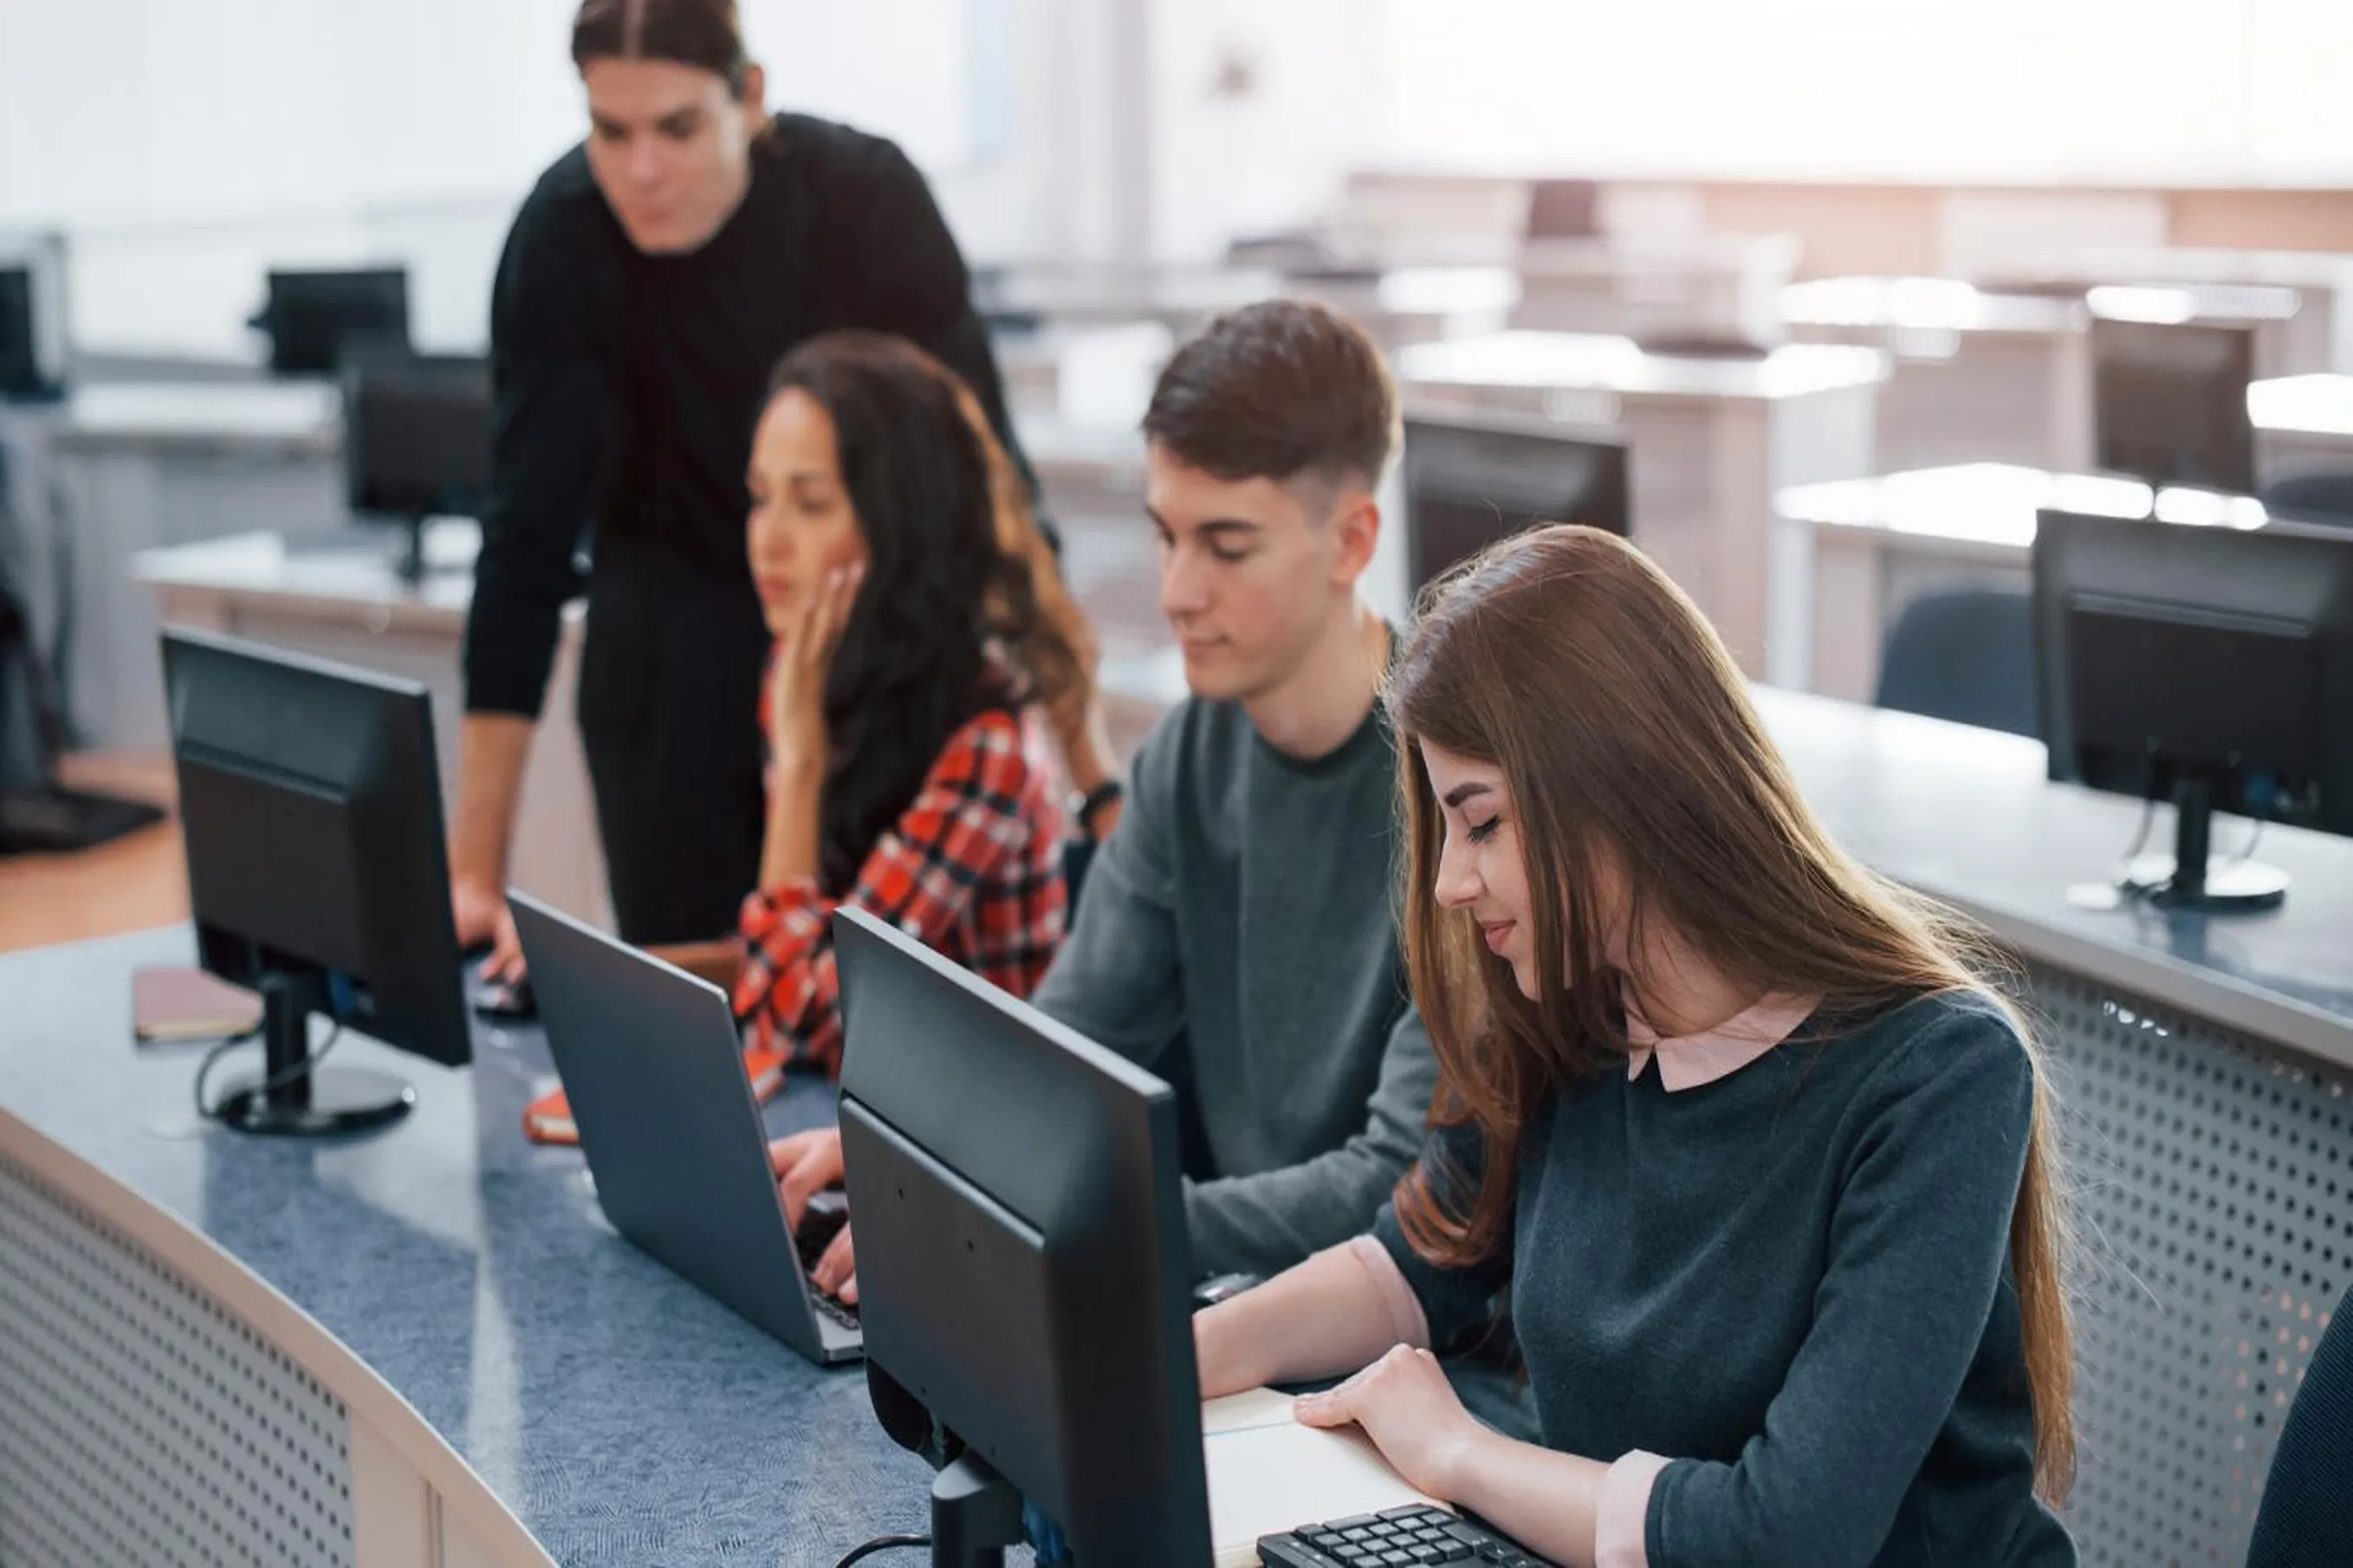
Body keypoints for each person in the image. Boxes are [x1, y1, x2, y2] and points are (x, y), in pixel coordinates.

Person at [1192, 525, 2078, 1567]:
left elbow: (1785, 1535)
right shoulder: (1568, 1019)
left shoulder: (1937, 1078)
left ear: (1617, 791)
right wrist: (1177, 1358)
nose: (1448, 884)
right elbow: (1412, 1264)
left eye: (1482, 824)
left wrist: (1459, 1453)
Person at [772, 301, 1440, 1308]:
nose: (1176, 591)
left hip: (1402, 1344)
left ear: (1351, 541)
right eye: (1166, 537)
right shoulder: (1188, 753)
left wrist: (1080, 1217)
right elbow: (1068, 1049)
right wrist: (917, 1150)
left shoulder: (1458, 790)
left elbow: (1400, 1187)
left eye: (1226, 547)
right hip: (1238, 1307)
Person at [451, 0, 1040, 973]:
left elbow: (986, 471)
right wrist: (474, 874)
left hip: (874, 641)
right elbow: (522, 549)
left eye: (677, 128)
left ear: (750, 97)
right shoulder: (560, 235)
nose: (641, 170)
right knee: (692, 1002)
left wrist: (1069, 737)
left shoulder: (863, 199)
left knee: (856, 988)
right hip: (665, 649)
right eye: (611, 132)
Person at [725, 332, 1079, 1074]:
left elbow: (793, 1021)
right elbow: (792, 951)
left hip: (974, 1129)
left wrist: (800, 766)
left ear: (900, 525)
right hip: (865, 1101)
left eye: (811, 504)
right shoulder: (810, 669)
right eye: (760, 497)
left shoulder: (988, 745)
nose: (768, 541)